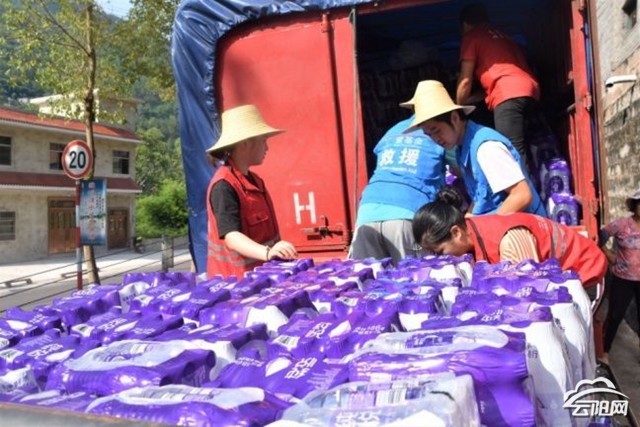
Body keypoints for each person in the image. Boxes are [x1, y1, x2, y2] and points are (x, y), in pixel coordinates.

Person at [412, 187, 607, 288]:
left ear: (456, 232)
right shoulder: (471, 231)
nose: (440, 260)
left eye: (440, 252)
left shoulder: (509, 241)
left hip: (585, 274)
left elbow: (529, 291)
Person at [404, 79, 546, 217]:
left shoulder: (486, 148)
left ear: (454, 118)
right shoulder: (462, 149)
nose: (435, 139)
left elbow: (521, 196)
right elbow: (480, 197)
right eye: (429, 135)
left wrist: (480, 227)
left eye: (436, 130)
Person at [206, 104, 297, 278]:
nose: (267, 148)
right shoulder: (223, 185)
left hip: (261, 277)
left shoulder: (255, 181)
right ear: (245, 143)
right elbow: (232, 237)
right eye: (263, 141)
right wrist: (268, 252)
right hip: (236, 284)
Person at [456, 3, 542, 170]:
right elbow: (491, 88)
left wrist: (457, 108)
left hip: (509, 95)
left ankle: (526, 187)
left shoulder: (471, 36)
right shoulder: (503, 35)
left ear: (465, 25)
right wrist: (470, 100)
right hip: (531, 91)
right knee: (530, 146)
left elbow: (465, 81)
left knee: (512, 153)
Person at [350, 116, 447, 264]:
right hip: (407, 213)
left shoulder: (394, 130)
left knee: (369, 276)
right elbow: (460, 170)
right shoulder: (440, 131)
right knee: (414, 276)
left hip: (367, 213)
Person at [599, 190, 640, 364]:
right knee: (615, 315)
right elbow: (600, 236)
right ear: (634, 206)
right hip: (623, 278)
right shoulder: (622, 224)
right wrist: (608, 253)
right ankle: (605, 352)